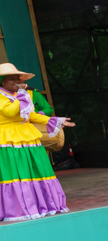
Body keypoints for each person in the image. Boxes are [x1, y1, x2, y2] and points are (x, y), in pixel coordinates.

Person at [0, 63, 72, 221]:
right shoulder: (3, 96)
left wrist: (53, 121)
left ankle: (39, 205)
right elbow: (10, 111)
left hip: (27, 136)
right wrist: (20, 94)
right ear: (2, 82)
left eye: (17, 78)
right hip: (8, 139)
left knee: (36, 170)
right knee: (16, 174)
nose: (16, 81)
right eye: (11, 79)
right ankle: (18, 209)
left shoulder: (20, 95)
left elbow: (30, 115)